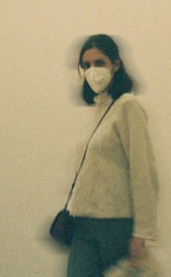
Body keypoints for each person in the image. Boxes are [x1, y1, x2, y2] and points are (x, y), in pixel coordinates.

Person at [65, 34, 159, 277]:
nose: (92, 70)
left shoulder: (127, 106)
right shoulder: (100, 109)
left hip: (115, 224)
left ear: (115, 65)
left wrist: (142, 233)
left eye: (99, 63)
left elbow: (143, 172)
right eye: (85, 65)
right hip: (82, 223)